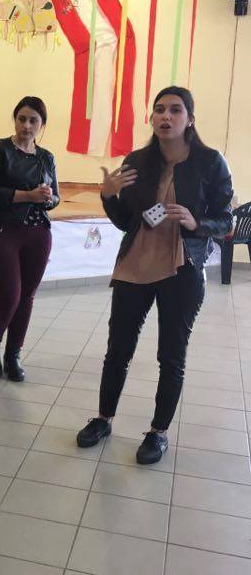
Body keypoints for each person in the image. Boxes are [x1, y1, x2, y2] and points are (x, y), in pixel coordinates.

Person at [76, 87, 233, 465]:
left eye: (175, 110)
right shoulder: (138, 161)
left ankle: (158, 432)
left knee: (171, 356)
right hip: (136, 266)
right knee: (118, 350)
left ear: (190, 119)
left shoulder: (210, 162)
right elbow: (127, 222)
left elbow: (226, 221)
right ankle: (103, 419)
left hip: (182, 268)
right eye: (159, 109)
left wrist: (196, 222)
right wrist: (108, 196)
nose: (166, 116)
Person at [0, 96, 59, 381]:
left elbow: (56, 198)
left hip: (38, 234)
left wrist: (48, 199)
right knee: (8, 297)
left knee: (26, 298)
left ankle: (13, 354)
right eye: (22, 119)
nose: (26, 125)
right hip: (4, 230)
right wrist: (28, 196)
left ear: (42, 125)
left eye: (33, 121)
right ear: (15, 120)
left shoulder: (46, 157)